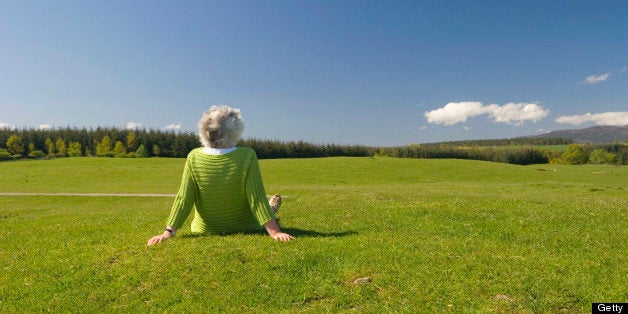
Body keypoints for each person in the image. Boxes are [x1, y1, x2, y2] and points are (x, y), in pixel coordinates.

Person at [147, 105, 293, 245]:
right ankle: (272, 209)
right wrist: (275, 233)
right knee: (266, 210)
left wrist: (168, 232)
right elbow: (256, 198)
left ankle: (272, 209)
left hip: (203, 230)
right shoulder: (247, 155)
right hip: (246, 226)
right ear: (236, 129)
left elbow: (184, 198)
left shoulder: (193, 156)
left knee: (264, 210)